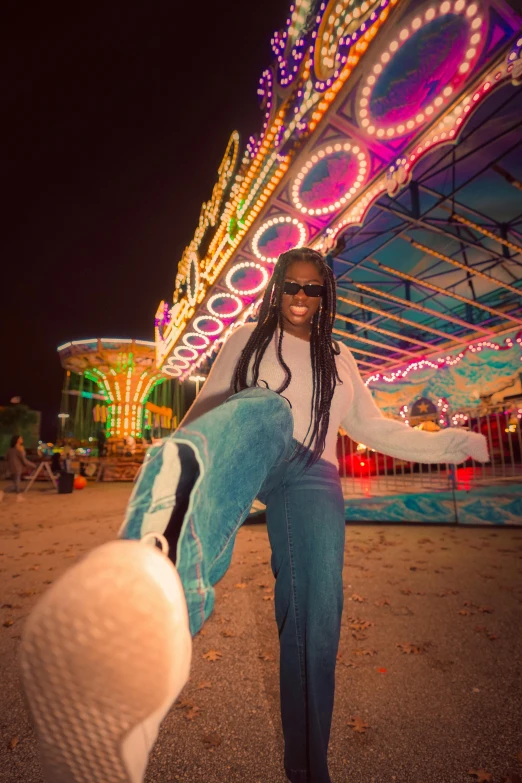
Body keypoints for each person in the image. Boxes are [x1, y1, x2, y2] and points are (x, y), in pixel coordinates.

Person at [19, 248, 489, 783]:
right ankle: (164, 583)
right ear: (277, 288)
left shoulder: (341, 356)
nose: (301, 298)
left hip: (314, 474)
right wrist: (182, 445)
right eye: (292, 286)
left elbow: (378, 430)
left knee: (318, 613)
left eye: (313, 289)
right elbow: (212, 403)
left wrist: (456, 443)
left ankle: (309, 771)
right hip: (257, 443)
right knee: (267, 406)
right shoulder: (246, 338)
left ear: (325, 295)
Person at [2, 435, 35, 500]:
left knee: (16, 483)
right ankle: (3, 491)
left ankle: (18, 496)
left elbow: (6, 458)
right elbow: (24, 460)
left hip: (11, 468)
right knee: (15, 484)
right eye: (20, 438)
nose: (22, 439)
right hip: (17, 468)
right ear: (17, 440)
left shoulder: (10, 449)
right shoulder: (20, 449)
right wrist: (33, 465)